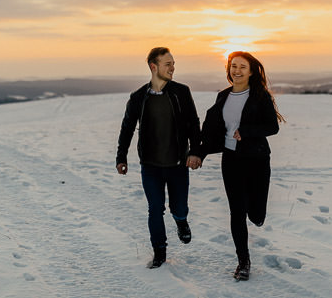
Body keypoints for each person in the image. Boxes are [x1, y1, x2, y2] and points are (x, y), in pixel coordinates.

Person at [189, 51, 284, 281]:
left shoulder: (260, 96)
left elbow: (273, 127)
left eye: (242, 67)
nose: (237, 71)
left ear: (251, 71)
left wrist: (248, 132)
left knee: (256, 213)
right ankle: (243, 261)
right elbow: (212, 133)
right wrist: (198, 153)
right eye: (233, 66)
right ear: (228, 69)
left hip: (258, 160)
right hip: (231, 161)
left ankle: (257, 214)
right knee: (237, 212)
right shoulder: (223, 96)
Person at [116, 47, 202, 269]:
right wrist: (121, 157)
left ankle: (181, 221)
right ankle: (159, 253)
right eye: (168, 64)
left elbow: (193, 123)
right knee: (155, 208)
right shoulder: (138, 98)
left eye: (173, 63)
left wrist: (195, 151)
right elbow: (127, 128)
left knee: (179, 207)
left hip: (177, 164)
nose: (173, 68)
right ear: (154, 67)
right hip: (150, 166)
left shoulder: (181, 92)